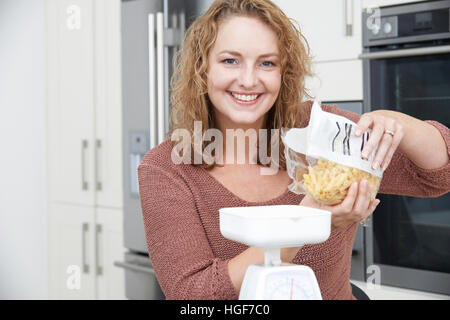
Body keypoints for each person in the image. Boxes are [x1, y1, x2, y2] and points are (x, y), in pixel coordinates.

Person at [137, 0, 449, 300]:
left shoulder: (319, 129)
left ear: (284, 72)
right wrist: (309, 220)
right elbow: (193, 294)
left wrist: (401, 125)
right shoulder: (166, 168)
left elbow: (436, 177)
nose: (248, 80)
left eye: (267, 63)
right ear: (202, 69)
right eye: (230, 60)